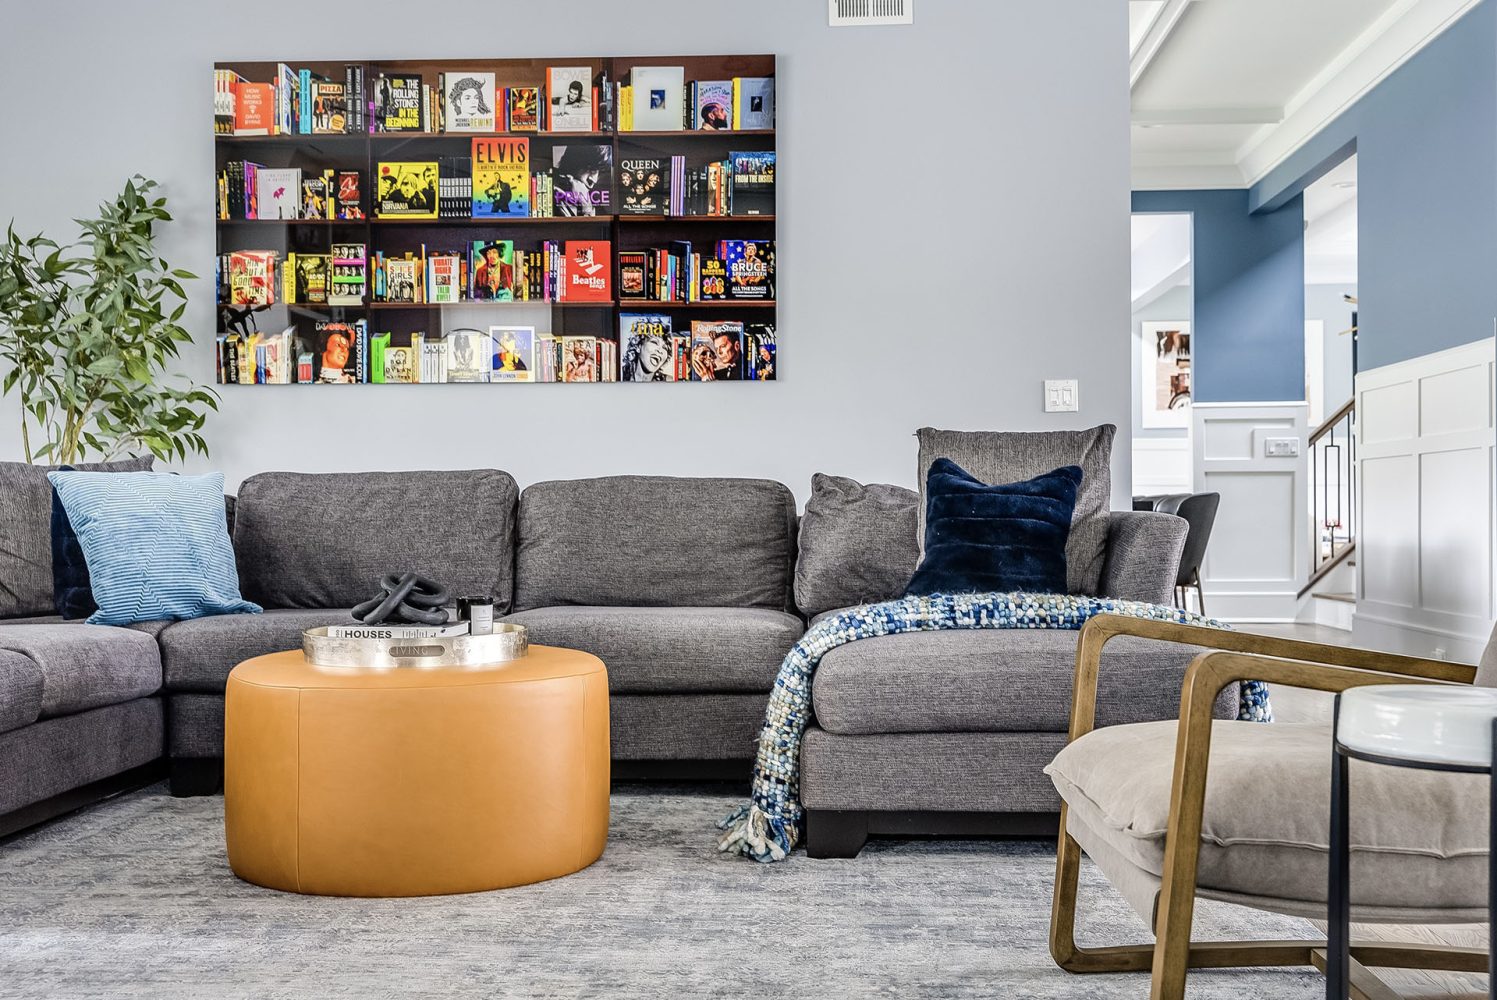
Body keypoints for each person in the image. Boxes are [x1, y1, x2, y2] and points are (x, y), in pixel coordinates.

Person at [554, 145, 610, 217]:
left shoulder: (595, 200)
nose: (595, 180)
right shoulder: (555, 195)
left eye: (601, 173)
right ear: (574, 162)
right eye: (592, 169)